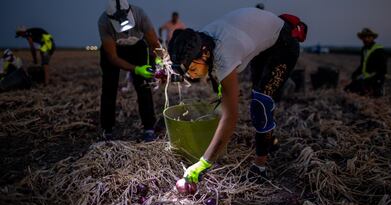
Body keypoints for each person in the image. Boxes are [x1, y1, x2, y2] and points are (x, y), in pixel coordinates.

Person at [168, 8, 307, 183]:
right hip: (263, 44)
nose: (191, 76)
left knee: (261, 103)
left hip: (284, 43)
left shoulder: (223, 54)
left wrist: (203, 163)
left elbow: (231, 116)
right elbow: (216, 74)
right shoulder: (200, 41)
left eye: (193, 69)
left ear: (205, 53)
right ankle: (269, 140)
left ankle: (260, 168)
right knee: (258, 92)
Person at [98, 0, 161, 141]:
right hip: (114, 49)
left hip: (136, 47)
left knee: (144, 86)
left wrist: (159, 60)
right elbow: (113, 58)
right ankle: (107, 129)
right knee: (109, 88)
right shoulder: (103, 22)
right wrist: (136, 69)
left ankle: (149, 127)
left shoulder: (140, 14)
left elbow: (154, 42)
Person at [345, 28, 387, 97]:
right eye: (364, 37)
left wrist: (379, 81)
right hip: (366, 78)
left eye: (368, 37)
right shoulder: (364, 49)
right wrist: (355, 74)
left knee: (363, 92)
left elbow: (383, 69)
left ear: (373, 38)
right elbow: (362, 65)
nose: (366, 39)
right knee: (347, 89)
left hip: (375, 78)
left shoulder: (379, 50)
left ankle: (379, 89)